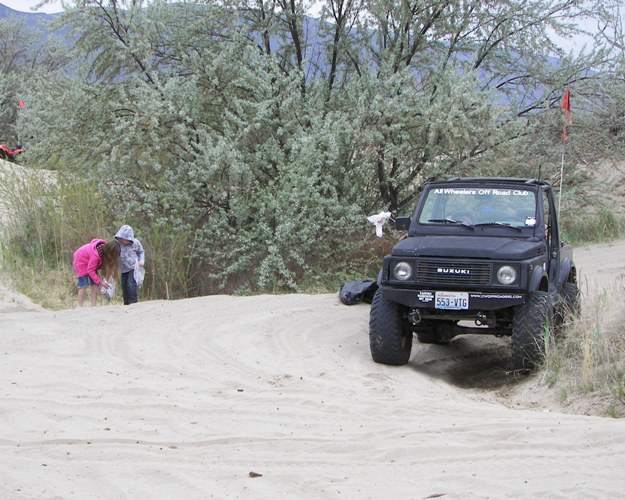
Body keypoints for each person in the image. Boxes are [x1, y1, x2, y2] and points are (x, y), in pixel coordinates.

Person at [73, 239, 121, 307]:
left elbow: (99, 267)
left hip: (91, 265)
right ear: (110, 252)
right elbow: (90, 270)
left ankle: (93, 305)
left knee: (95, 284)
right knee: (83, 285)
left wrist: (106, 280)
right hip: (81, 261)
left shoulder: (103, 253)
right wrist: (101, 282)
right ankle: (79, 306)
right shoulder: (95, 256)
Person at [114, 224, 145, 305]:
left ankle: (133, 303)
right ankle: (126, 303)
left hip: (133, 268)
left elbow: (141, 252)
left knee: (131, 285)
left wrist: (142, 260)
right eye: (122, 239)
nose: (123, 241)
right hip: (123, 269)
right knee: (124, 286)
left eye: (125, 239)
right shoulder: (117, 245)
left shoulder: (136, 243)